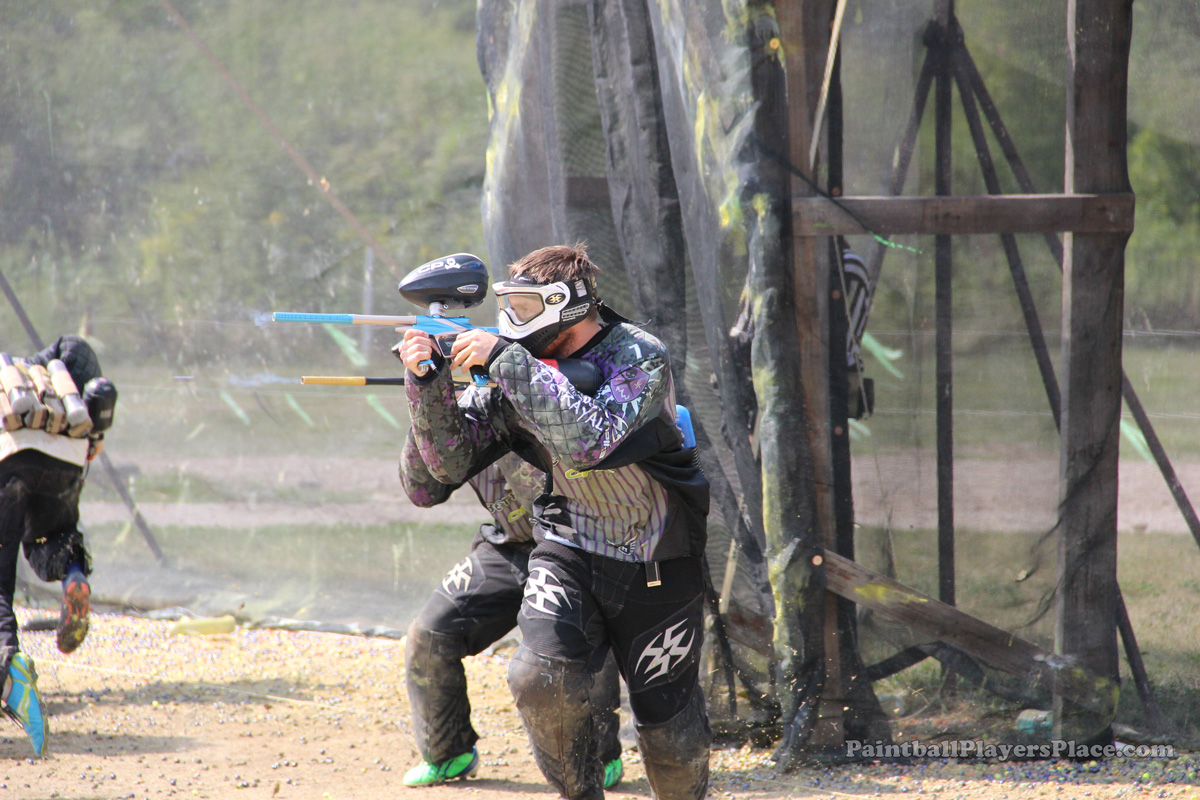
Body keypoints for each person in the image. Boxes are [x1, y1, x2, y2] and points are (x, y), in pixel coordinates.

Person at [399, 243, 711, 800]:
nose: (510, 322)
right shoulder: (517, 362)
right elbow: (443, 468)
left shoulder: (639, 354)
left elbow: (591, 443)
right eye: (507, 307)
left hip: (657, 559)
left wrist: (508, 362)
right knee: (538, 681)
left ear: (566, 304)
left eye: (522, 308)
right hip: (566, 548)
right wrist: (427, 384)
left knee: (669, 731)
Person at [398, 438, 625, 788]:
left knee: (583, 644)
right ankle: (448, 752)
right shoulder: (457, 420)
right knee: (430, 635)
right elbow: (423, 492)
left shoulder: (543, 404)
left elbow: (550, 493)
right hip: (509, 548)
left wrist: (499, 418)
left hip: (577, 549)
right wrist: (423, 421)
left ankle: (599, 757)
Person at [1, 335, 113, 757]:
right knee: (56, 536)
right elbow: (77, 351)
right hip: (65, 460)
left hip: (10, 460)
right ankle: (74, 578)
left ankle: (10, 671)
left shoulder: (12, 386)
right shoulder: (53, 381)